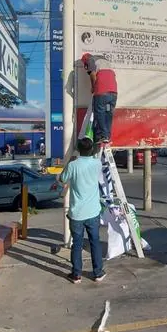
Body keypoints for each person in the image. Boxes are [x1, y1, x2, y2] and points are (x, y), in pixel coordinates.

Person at [60, 137, 106, 284]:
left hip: (77, 213)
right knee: (95, 243)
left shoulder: (73, 165)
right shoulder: (97, 163)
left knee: (77, 245)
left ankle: (76, 274)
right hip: (93, 212)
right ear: (91, 150)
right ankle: (98, 273)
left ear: (78, 149)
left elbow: (62, 179)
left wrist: (70, 161)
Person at [81, 53, 117, 145]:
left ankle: (102, 135)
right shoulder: (106, 61)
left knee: (99, 112)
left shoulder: (90, 60)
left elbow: (93, 74)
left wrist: (93, 87)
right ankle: (107, 136)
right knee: (108, 113)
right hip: (113, 92)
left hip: (101, 91)